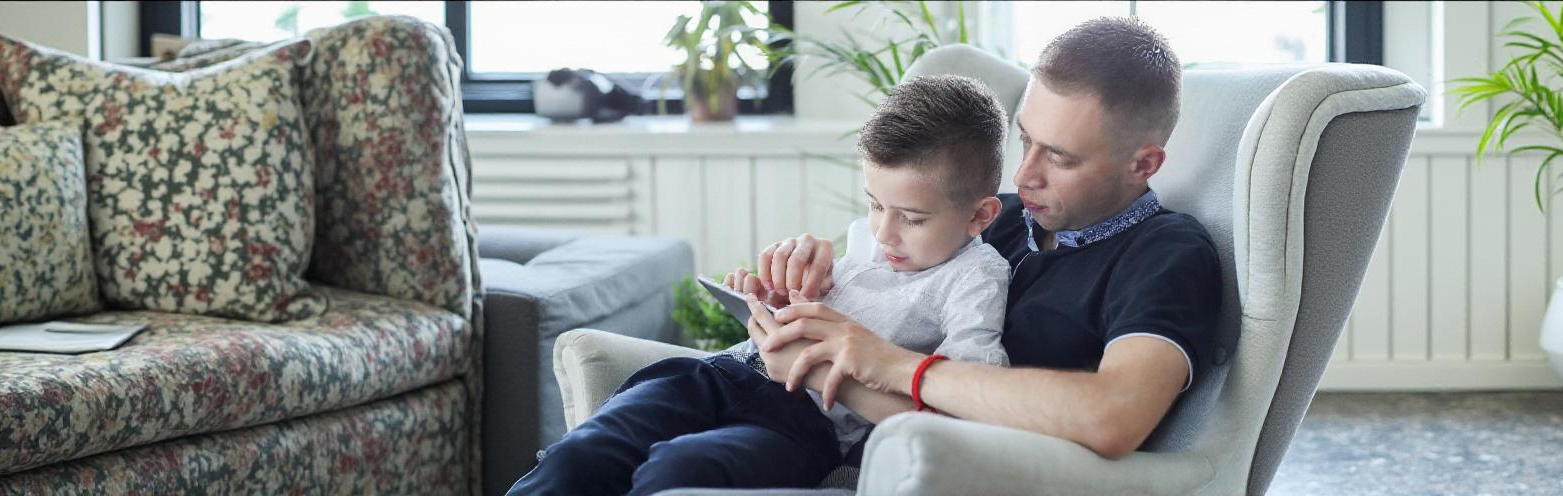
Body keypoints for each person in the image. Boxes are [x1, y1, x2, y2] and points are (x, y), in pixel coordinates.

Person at [747, 16, 1228, 464]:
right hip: (858, 446)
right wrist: (813, 274)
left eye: (1059, 158)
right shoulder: (994, 216)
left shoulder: (1168, 253)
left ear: (1143, 165)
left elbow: (1113, 417)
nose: (1023, 175)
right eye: (1025, 140)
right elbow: (881, 277)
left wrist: (892, 365)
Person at [506, 75, 1013, 496]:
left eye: (912, 218)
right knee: (576, 460)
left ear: (979, 215)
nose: (883, 231)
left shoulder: (975, 277)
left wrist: (830, 365)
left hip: (799, 426)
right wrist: (780, 300)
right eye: (875, 204)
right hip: (720, 374)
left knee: (680, 473)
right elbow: (821, 303)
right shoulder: (870, 242)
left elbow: (972, 399)